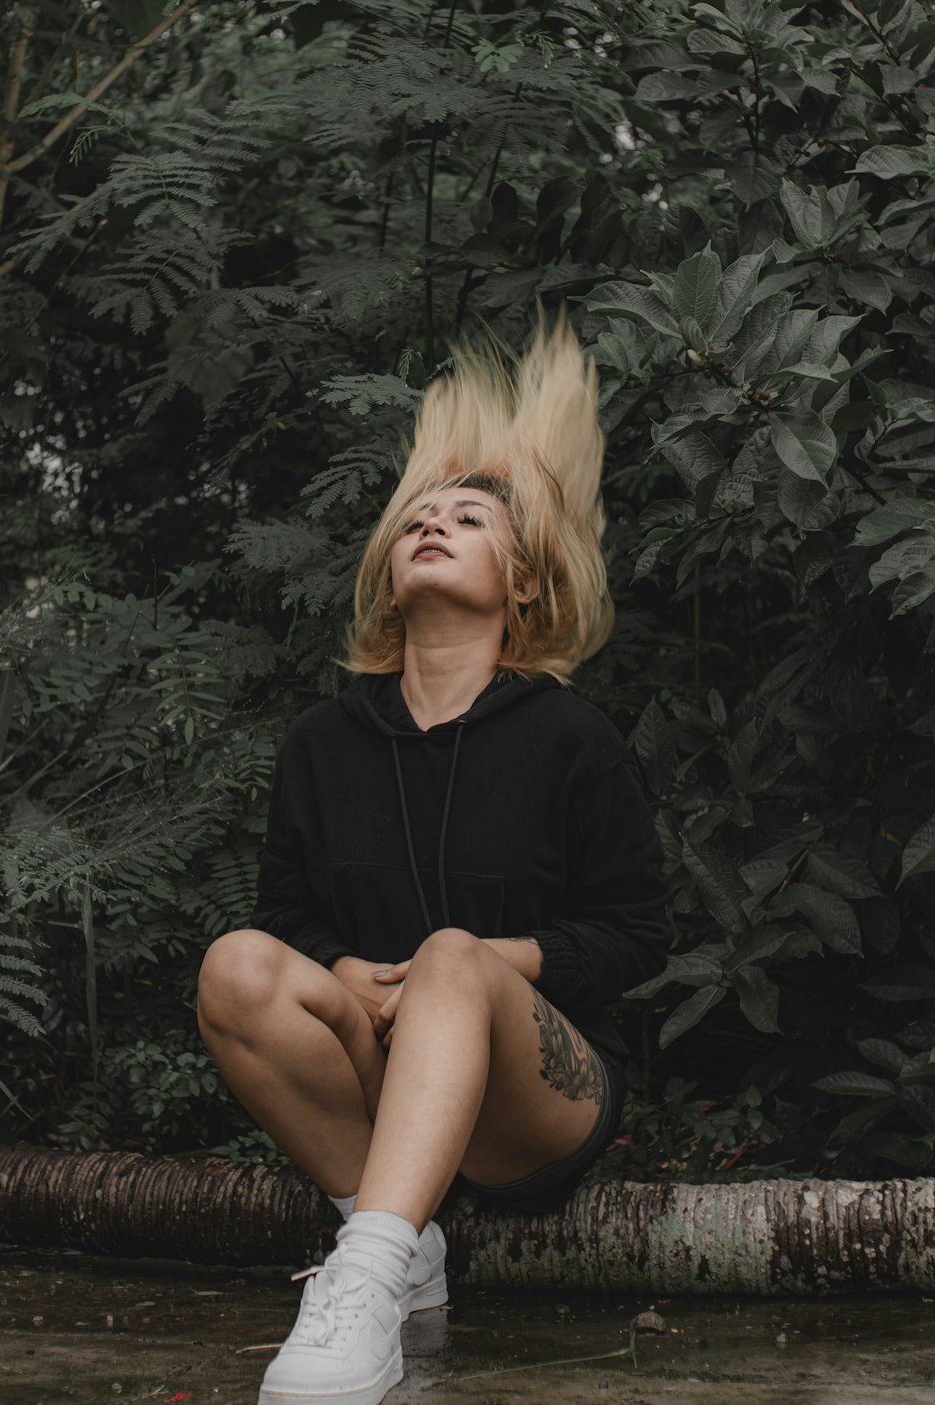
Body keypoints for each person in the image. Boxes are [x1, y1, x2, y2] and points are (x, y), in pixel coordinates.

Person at [197, 319, 672, 1405]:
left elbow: (640, 936)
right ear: (385, 568)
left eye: (467, 518)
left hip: (534, 1104)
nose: (432, 525)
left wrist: (500, 959)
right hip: (382, 1062)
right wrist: (341, 966)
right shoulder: (323, 741)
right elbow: (283, 914)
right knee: (236, 964)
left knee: (455, 957)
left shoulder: (570, 736)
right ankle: (404, 1257)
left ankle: (356, 1279)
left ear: (524, 586)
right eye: (416, 516)